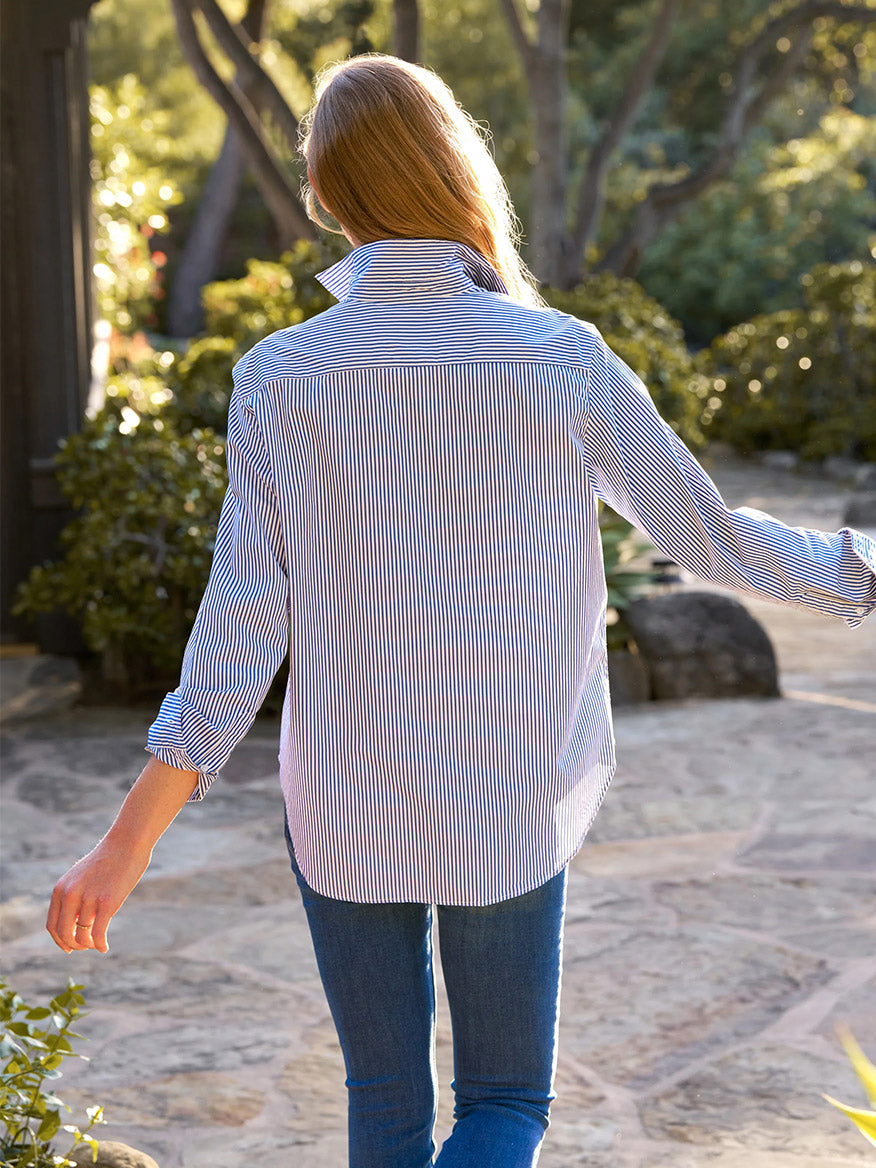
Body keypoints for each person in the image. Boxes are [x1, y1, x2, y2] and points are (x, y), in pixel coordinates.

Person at [47, 53, 876, 1168]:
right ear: (456, 173)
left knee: (384, 1103)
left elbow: (240, 634)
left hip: (346, 800)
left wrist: (123, 844)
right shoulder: (560, 360)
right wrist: (863, 568)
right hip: (511, 794)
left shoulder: (279, 377)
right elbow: (711, 537)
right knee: (503, 1103)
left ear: (328, 198)